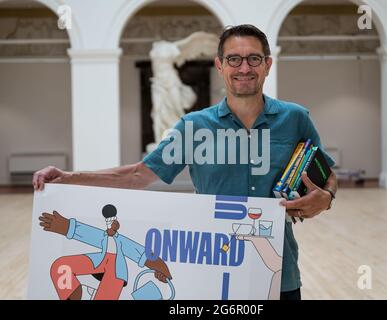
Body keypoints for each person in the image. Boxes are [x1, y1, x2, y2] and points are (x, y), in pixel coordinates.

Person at [33, 24, 338, 300]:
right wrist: (66, 177)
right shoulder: (194, 127)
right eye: (234, 59)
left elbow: (326, 176)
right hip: (214, 272)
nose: (244, 67)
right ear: (220, 65)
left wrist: (326, 199)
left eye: (254, 59)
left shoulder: (295, 118)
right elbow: (137, 176)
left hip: (278, 273)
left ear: (267, 64)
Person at [39, 204, 171, 300]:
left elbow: (141, 254)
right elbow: (85, 233)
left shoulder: (121, 242)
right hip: (97, 263)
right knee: (61, 267)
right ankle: (73, 295)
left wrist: (162, 269)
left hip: (116, 271)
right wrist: (67, 226)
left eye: (113, 222)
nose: (112, 225)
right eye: (109, 222)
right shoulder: (102, 236)